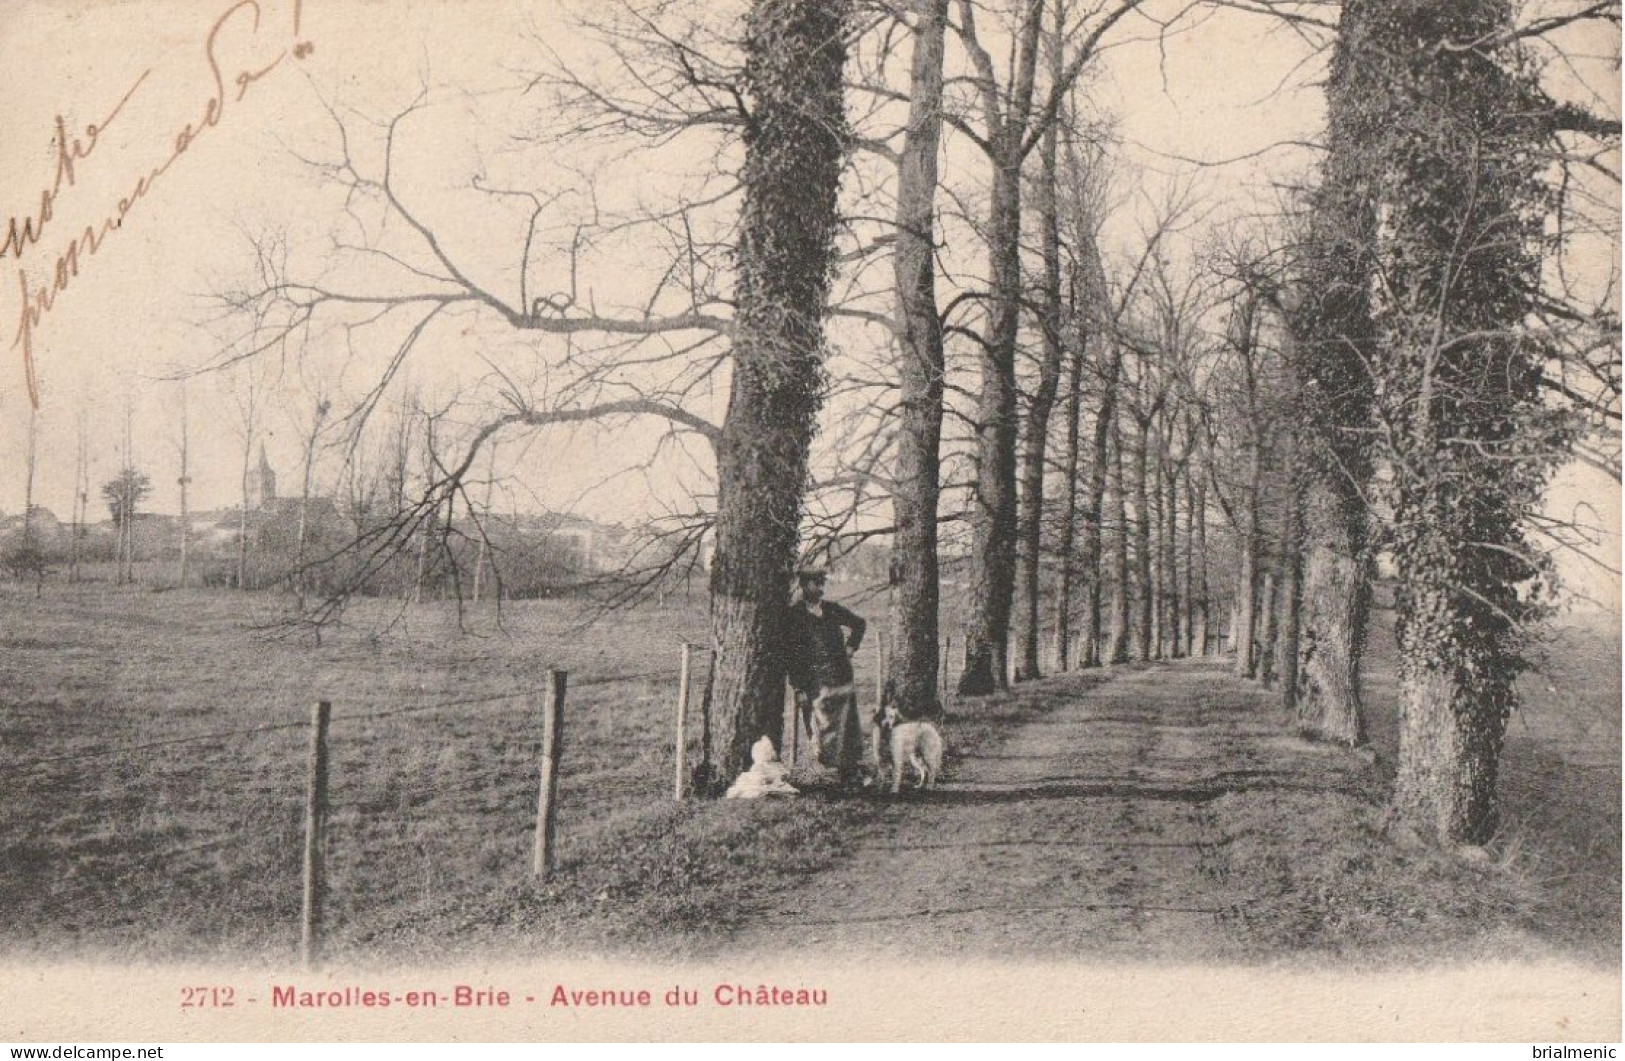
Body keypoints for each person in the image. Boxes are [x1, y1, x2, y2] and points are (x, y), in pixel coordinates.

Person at [784, 567, 868, 789]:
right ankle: (826, 775)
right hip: (813, 681)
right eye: (815, 584)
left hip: (840, 677)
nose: (820, 588)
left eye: (822, 583)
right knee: (819, 727)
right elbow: (791, 654)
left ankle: (849, 773)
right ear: (804, 586)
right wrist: (798, 687)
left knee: (846, 726)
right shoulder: (794, 616)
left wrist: (850, 647)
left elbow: (859, 624)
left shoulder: (832, 610)